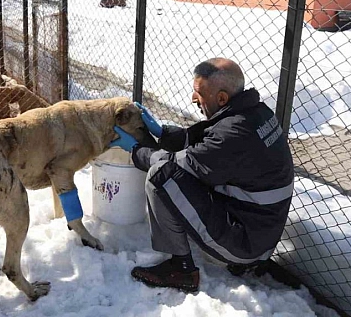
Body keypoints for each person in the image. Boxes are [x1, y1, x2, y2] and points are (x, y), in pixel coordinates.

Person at [110, 58, 294, 293]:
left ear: (221, 99)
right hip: (260, 233)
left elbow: (171, 163)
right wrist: (162, 132)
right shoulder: (254, 113)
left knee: (161, 176)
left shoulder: (232, 136)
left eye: (199, 93)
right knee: (182, 171)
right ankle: (241, 259)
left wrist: (136, 151)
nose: (193, 98)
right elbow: (204, 139)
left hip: (246, 244)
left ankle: (182, 269)